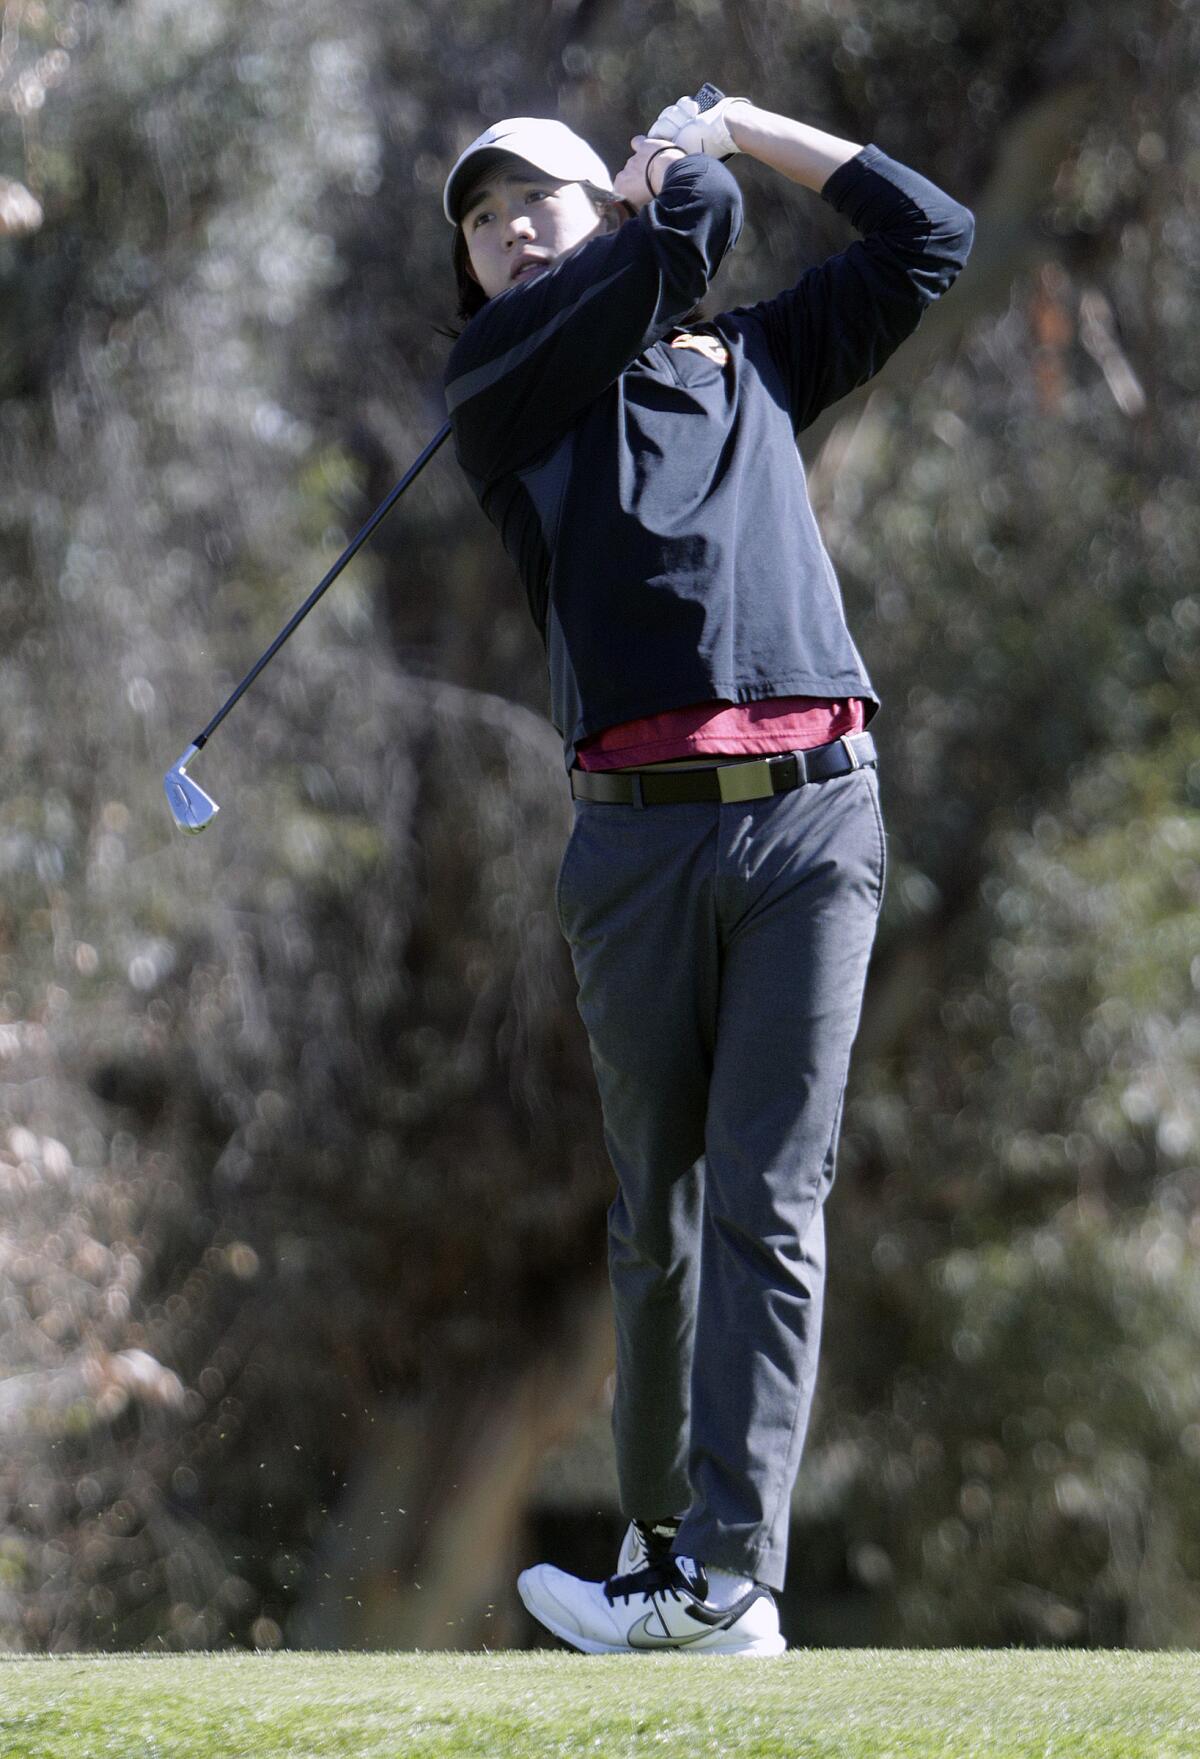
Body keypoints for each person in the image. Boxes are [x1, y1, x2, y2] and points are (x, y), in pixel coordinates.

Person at [441, 91, 974, 1655]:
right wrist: (684, 176)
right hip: (637, 836)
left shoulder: (748, 362)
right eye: (483, 219)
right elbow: (691, 233)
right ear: (470, 271)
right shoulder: (506, 386)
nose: (514, 227)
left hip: (817, 818)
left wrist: (750, 119)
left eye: (541, 197)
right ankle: (664, 1550)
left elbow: (930, 234)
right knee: (659, 1205)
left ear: (590, 205)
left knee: (771, 1193)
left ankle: (730, 1580)